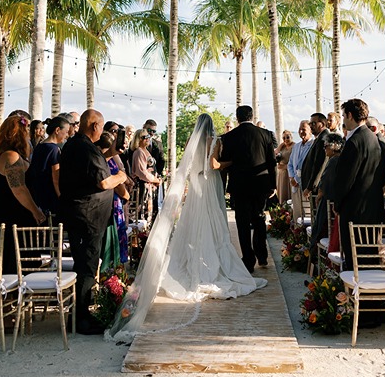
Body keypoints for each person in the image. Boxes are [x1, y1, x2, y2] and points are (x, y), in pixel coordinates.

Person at [109, 114, 267, 342]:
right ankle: (212, 262)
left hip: (196, 187)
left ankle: (193, 260)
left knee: (194, 224)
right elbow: (213, 165)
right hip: (211, 184)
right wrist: (230, 163)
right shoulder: (217, 141)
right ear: (211, 126)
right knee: (215, 226)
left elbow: (191, 166)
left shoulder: (190, 142)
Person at [59, 109, 128, 334]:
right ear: (95, 126)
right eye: (101, 126)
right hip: (85, 217)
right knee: (87, 267)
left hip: (86, 216)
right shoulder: (84, 147)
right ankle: (81, 320)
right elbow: (104, 182)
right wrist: (121, 176)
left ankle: (83, 314)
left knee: (87, 265)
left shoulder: (76, 145)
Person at [218, 104, 276, 273]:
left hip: (240, 186)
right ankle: (262, 254)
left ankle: (248, 260)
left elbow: (226, 162)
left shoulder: (229, 137)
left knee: (242, 223)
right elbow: (271, 162)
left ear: (238, 118)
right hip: (261, 185)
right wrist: (272, 184)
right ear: (251, 116)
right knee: (259, 219)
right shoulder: (265, 134)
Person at [0, 115, 46, 272]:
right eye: (26, 130)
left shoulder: (13, 156)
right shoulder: (10, 156)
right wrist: (36, 211)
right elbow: (19, 189)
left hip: (17, 215)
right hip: (10, 216)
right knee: (12, 265)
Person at [333, 99, 385, 270]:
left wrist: (338, 204)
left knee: (353, 257)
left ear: (350, 115)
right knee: (370, 255)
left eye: (344, 116)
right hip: (373, 206)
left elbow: (345, 179)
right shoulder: (376, 140)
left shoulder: (354, 142)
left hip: (353, 209)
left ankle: (354, 292)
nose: (343, 120)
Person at [97, 130, 131, 268]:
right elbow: (116, 185)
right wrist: (126, 194)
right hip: (111, 205)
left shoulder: (109, 158)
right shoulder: (106, 161)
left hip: (112, 204)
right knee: (111, 241)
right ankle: (110, 274)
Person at [27, 115, 70, 219]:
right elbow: (56, 179)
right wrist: (62, 198)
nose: (67, 135)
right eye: (66, 131)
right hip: (49, 197)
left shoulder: (40, 146)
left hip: (37, 194)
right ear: (58, 130)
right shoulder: (54, 149)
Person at [131, 130, 162, 221]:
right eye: (145, 137)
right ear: (138, 139)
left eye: (148, 137)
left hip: (150, 188)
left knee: (150, 213)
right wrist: (155, 179)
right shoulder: (139, 152)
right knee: (143, 214)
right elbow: (142, 173)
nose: (148, 139)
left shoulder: (146, 151)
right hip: (143, 187)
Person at [287, 120, 313, 220]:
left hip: (305, 185)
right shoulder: (296, 146)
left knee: (307, 215)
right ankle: (297, 234)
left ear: (310, 131)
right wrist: (292, 178)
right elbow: (290, 164)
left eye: (304, 129)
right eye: (300, 129)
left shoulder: (312, 145)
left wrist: (297, 179)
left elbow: (306, 166)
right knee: (297, 213)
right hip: (294, 185)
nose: (301, 131)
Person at [300, 114, 330, 201]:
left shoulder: (323, 139)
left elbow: (319, 165)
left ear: (322, 124)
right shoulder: (319, 138)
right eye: (310, 124)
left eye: (313, 123)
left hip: (317, 189)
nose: (311, 126)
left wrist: (310, 187)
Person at [274, 130, 294, 204]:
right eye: (283, 138)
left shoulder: (294, 146)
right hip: (282, 174)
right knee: (282, 195)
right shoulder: (282, 147)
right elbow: (274, 154)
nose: (286, 139)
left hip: (290, 173)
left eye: (287, 137)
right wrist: (281, 145)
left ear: (291, 137)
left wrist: (286, 166)